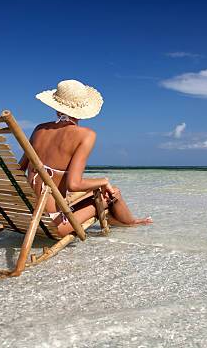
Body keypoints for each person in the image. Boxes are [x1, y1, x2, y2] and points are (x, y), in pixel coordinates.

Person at [19, 79, 153, 237]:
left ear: (56, 108)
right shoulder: (85, 135)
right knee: (112, 192)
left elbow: (19, 170)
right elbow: (74, 184)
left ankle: (120, 221)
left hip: (25, 215)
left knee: (95, 191)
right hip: (53, 223)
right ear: (82, 110)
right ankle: (130, 223)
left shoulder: (39, 129)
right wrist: (104, 181)